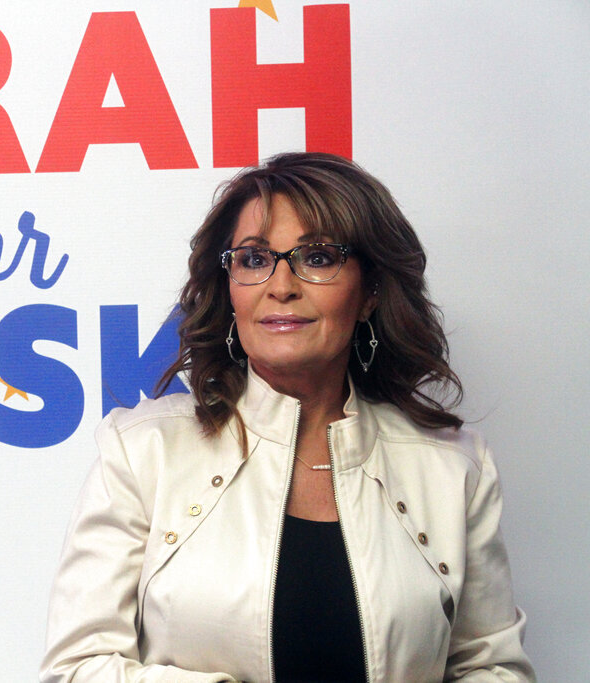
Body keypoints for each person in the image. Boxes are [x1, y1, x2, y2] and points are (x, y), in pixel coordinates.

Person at [40, 153, 534, 682]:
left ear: (369, 292)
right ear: (229, 289)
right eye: (254, 259)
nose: (281, 285)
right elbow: (76, 670)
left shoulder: (453, 465)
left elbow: (494, 668)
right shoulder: (142, 451)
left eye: (318, 257)